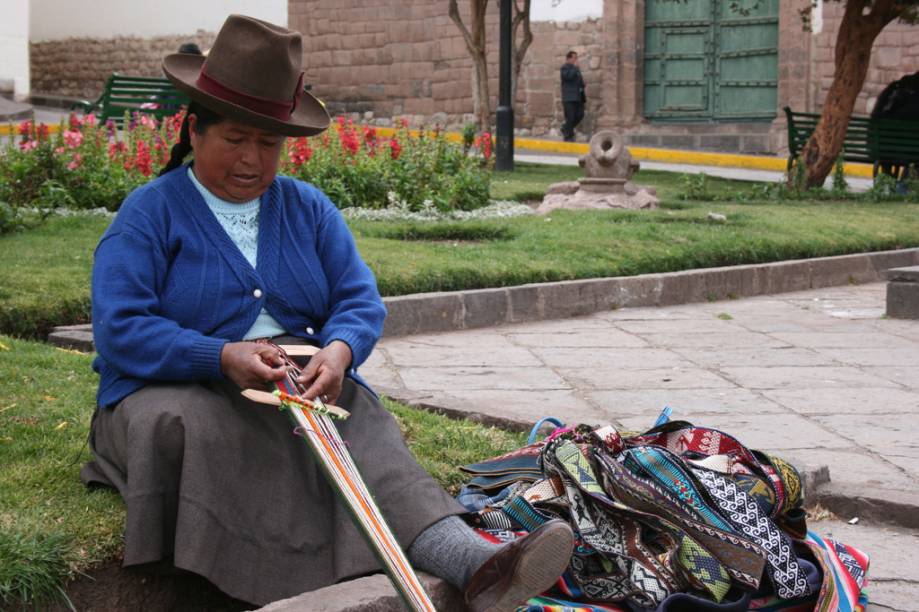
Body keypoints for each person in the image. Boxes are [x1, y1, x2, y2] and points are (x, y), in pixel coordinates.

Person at [80, 14, 573, 611]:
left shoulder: (307, 209)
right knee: (204, 426)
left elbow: (357, 299)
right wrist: (221, 355)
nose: (251, 160)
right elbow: (121, 328)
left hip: (293, 374)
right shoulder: (149, 214)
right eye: (235, 138)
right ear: (195, 131)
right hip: (171, 382)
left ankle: (477, 565)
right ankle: (249, 582)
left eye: (268, 144)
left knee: (357, 416)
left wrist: (339, 350)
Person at [560, 50, 586, 142]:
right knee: (570, 117)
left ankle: (565, 128)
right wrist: (575, 68)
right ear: (569, 58)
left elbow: (579, 81)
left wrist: (583, 84)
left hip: (578, 97)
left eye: (576, 58)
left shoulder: (576, 69)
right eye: (574, 58)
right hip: (569, 97)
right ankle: (568, 137)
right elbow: (569, 77)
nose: (576, 60)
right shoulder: (565, 68)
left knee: (580, 115)